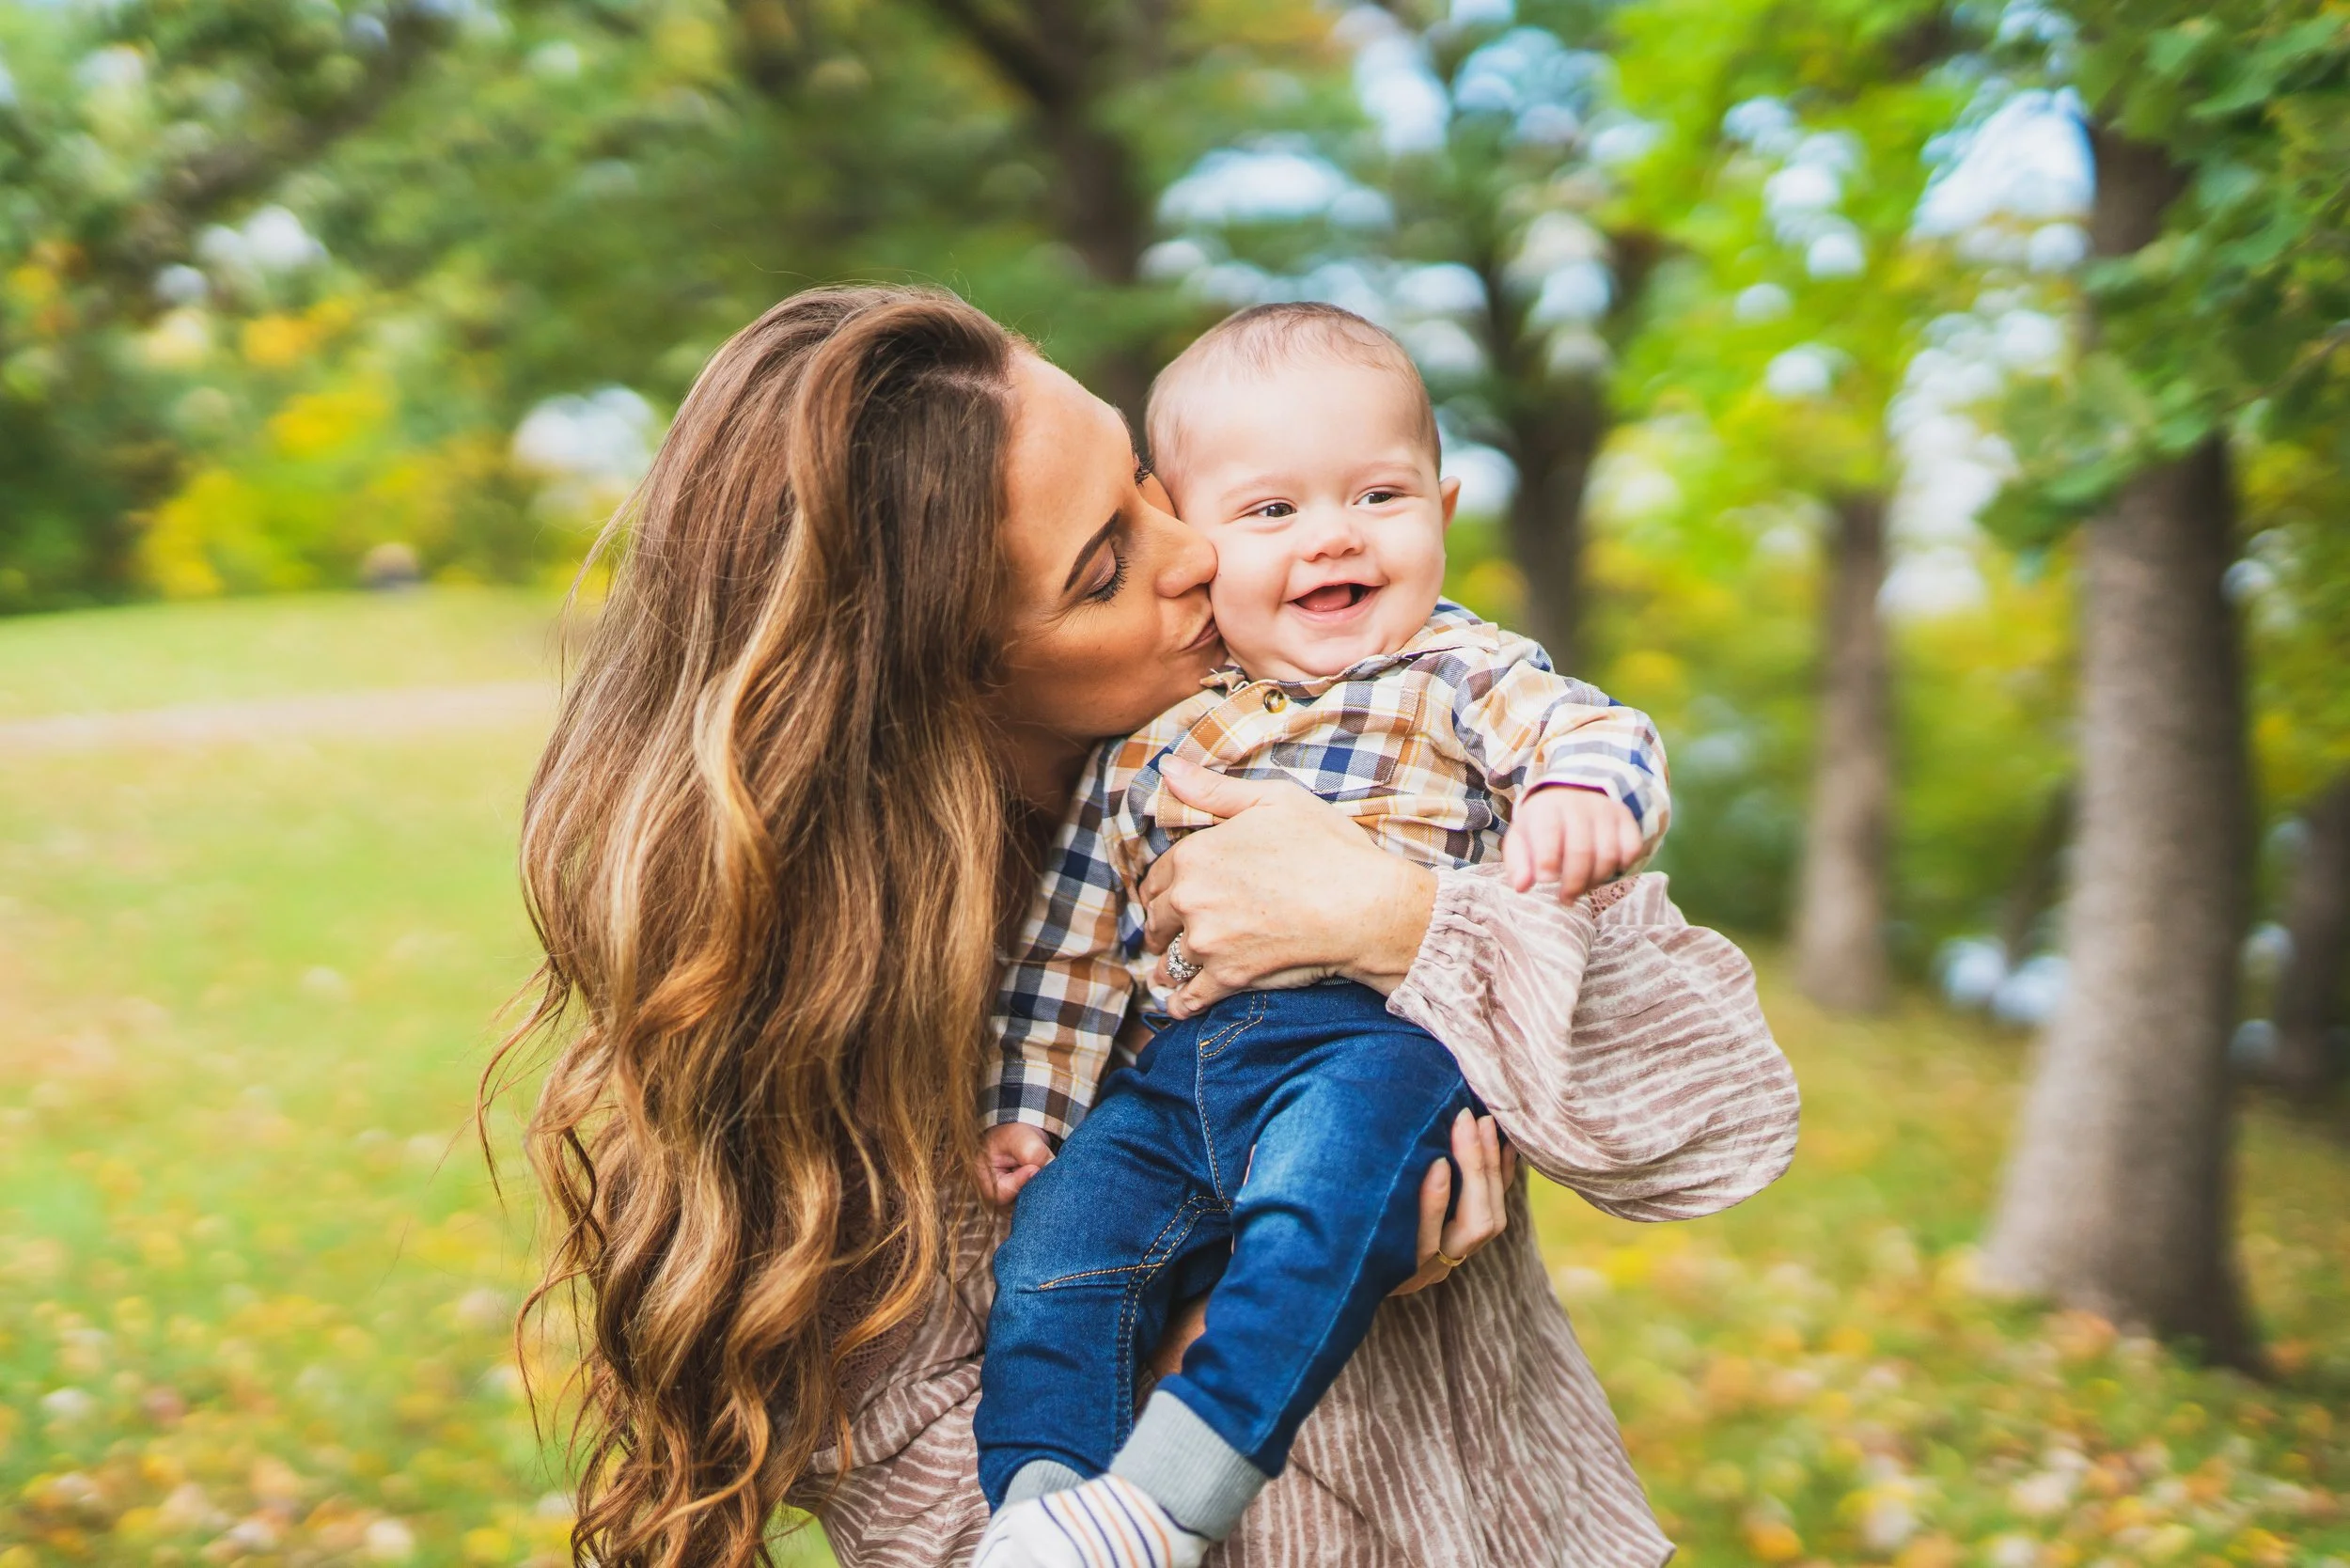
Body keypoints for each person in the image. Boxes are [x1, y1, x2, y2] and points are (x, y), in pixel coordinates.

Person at [499, 285, 1800, 1568]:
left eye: (1147, 486)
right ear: (949, 677)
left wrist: (1400, 920)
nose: (1197, 553)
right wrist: (1234, 1333)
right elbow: (936, 1531)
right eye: (1109, 564)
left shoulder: (1381, 714)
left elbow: (1721, 1124)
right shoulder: (859, 1045)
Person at [970, 303, 1677, 1568]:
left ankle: (1171, 1499)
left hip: (1374, 1042)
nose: (1334, 536)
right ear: (1201, 541)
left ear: (1444, 514)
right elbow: (1072, 945)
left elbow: (1600, 732)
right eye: (1272, 512)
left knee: (1316, 1205)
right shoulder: (1158, 733)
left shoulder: (1460, 671)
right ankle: (1043, 1509)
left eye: (1379, 496)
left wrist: (1578, 797)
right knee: (1059, 1250)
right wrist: (1033, 1103)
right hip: (1177, 1071)